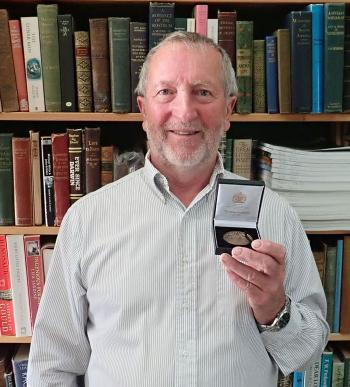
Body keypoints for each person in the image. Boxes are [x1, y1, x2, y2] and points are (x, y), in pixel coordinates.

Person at [27, 31, 329, 387]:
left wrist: (275, 311)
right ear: (143, 109)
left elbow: (306, 355)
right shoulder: (87, 220)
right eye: (165, 92)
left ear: (229, 109)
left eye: (203, 92)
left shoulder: (275, 215)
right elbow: (52, 367)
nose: (184, 112)